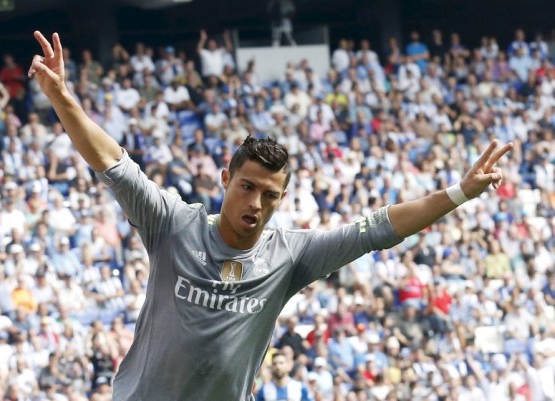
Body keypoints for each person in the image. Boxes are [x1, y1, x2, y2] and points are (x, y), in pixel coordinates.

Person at [28, 31, 512, 401]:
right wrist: (60, 97)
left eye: (270, 195)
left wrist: (458, 192)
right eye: (247, 188)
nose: (256, 204)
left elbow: (379, 227)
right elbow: (113, 162)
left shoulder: (291, 255)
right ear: (225, 180)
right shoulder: (173, 224)